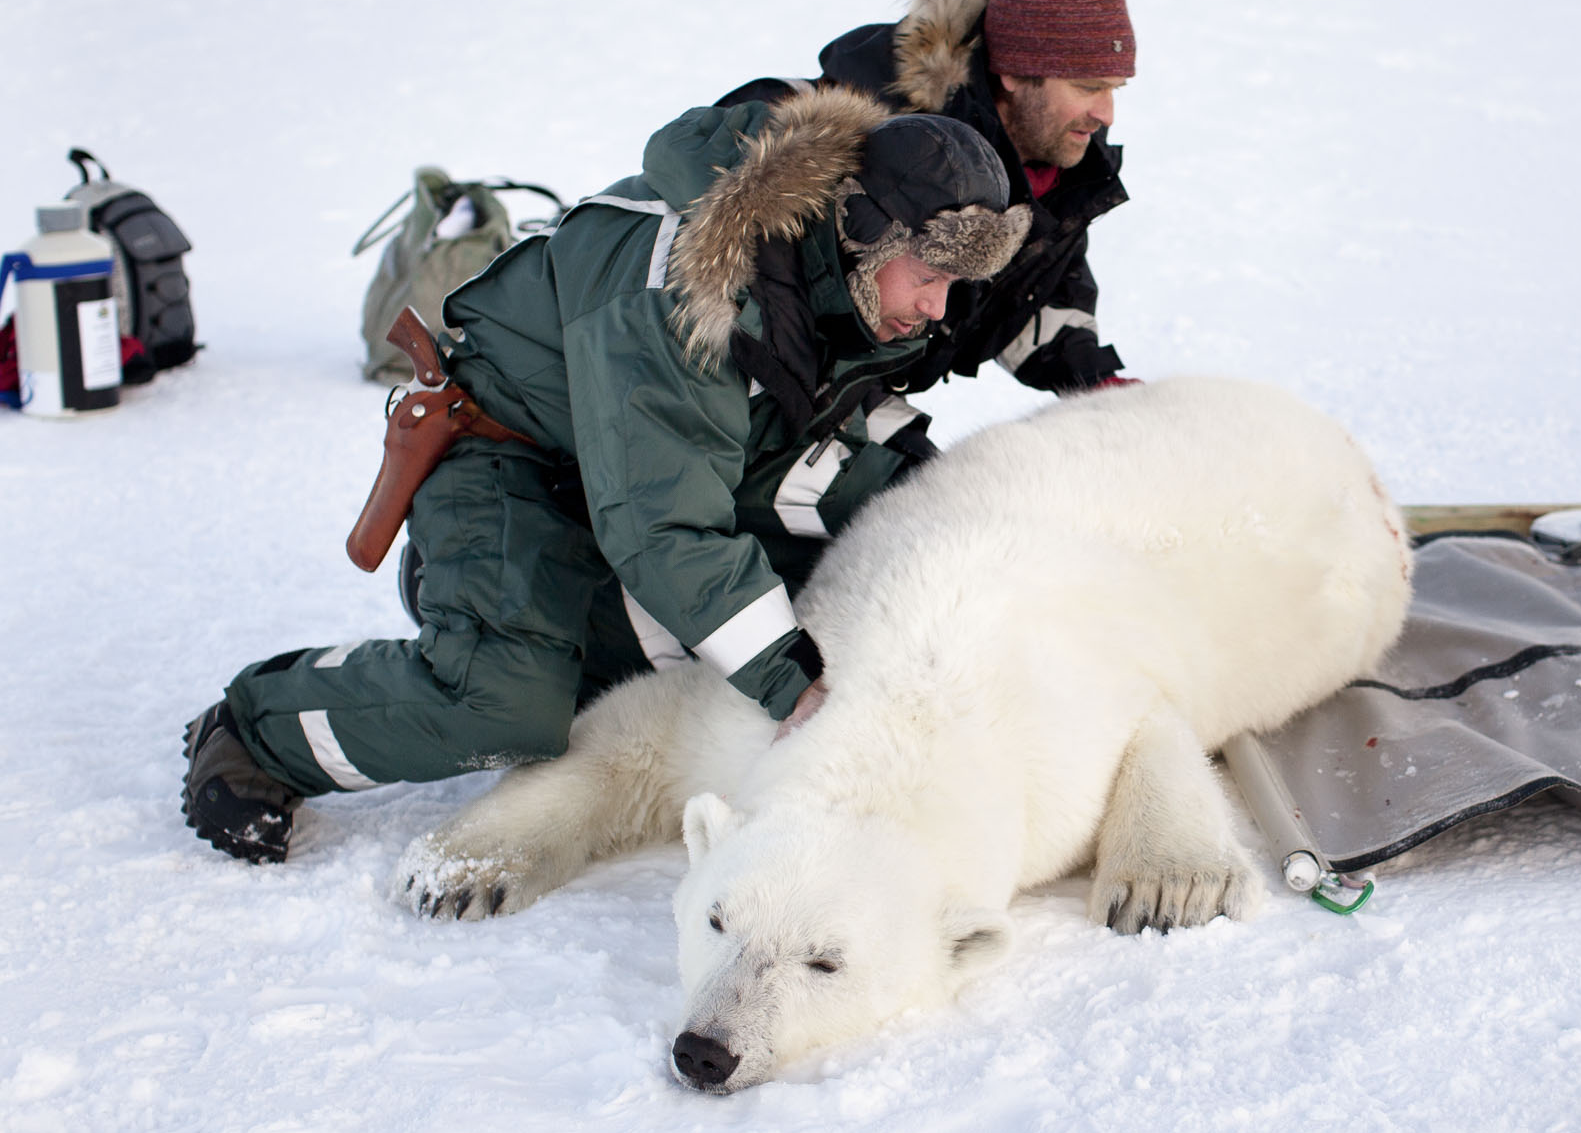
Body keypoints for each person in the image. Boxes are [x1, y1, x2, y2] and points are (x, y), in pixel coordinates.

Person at [183, 90, 1030, 863]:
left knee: (833, 572)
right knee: (507, 707)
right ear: (861, 226)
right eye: (929, 279)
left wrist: (940, 502)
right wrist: (796, 683)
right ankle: (260, 724)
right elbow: (664, 525)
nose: (937, 309)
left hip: (643, 467)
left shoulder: (832, 268)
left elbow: (823, 415)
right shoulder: (680, 285)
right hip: (512, 456)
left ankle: (559, 612)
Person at [718, 0, 1135, 398]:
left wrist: (1095, 380)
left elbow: (1028, 293)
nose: (1106, 113)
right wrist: (890, 440)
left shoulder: (1057, 167)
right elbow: (793, 326)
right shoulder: (874, 148)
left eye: (1115, 88)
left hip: (867, 408)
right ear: (1014, 71)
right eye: (1087, 86)